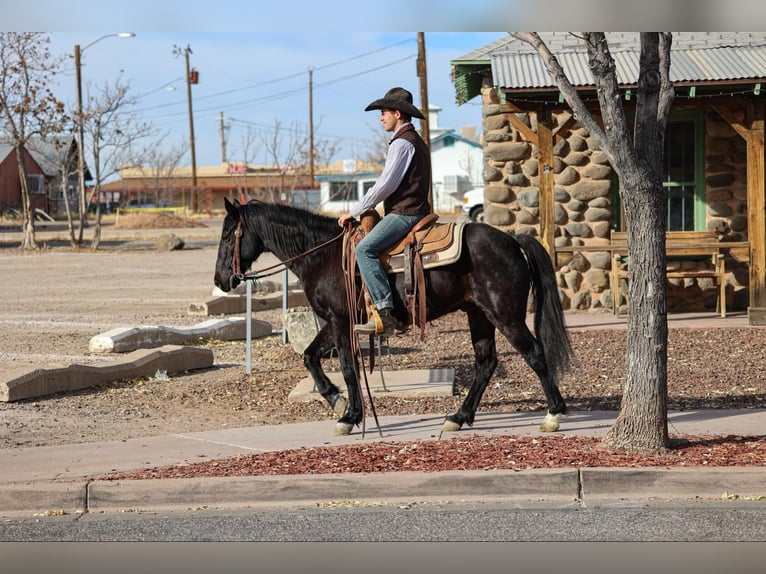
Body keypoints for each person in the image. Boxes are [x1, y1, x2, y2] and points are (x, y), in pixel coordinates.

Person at [338, 87, 432, 336]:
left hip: (406, 212)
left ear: (397, 113)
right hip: (416, 209)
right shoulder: (414, 141)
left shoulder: (402, 144)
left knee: (364, 249)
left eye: (383, 113)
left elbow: (385, 184)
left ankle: (385, 313)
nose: (381, 118)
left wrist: (356, 210)